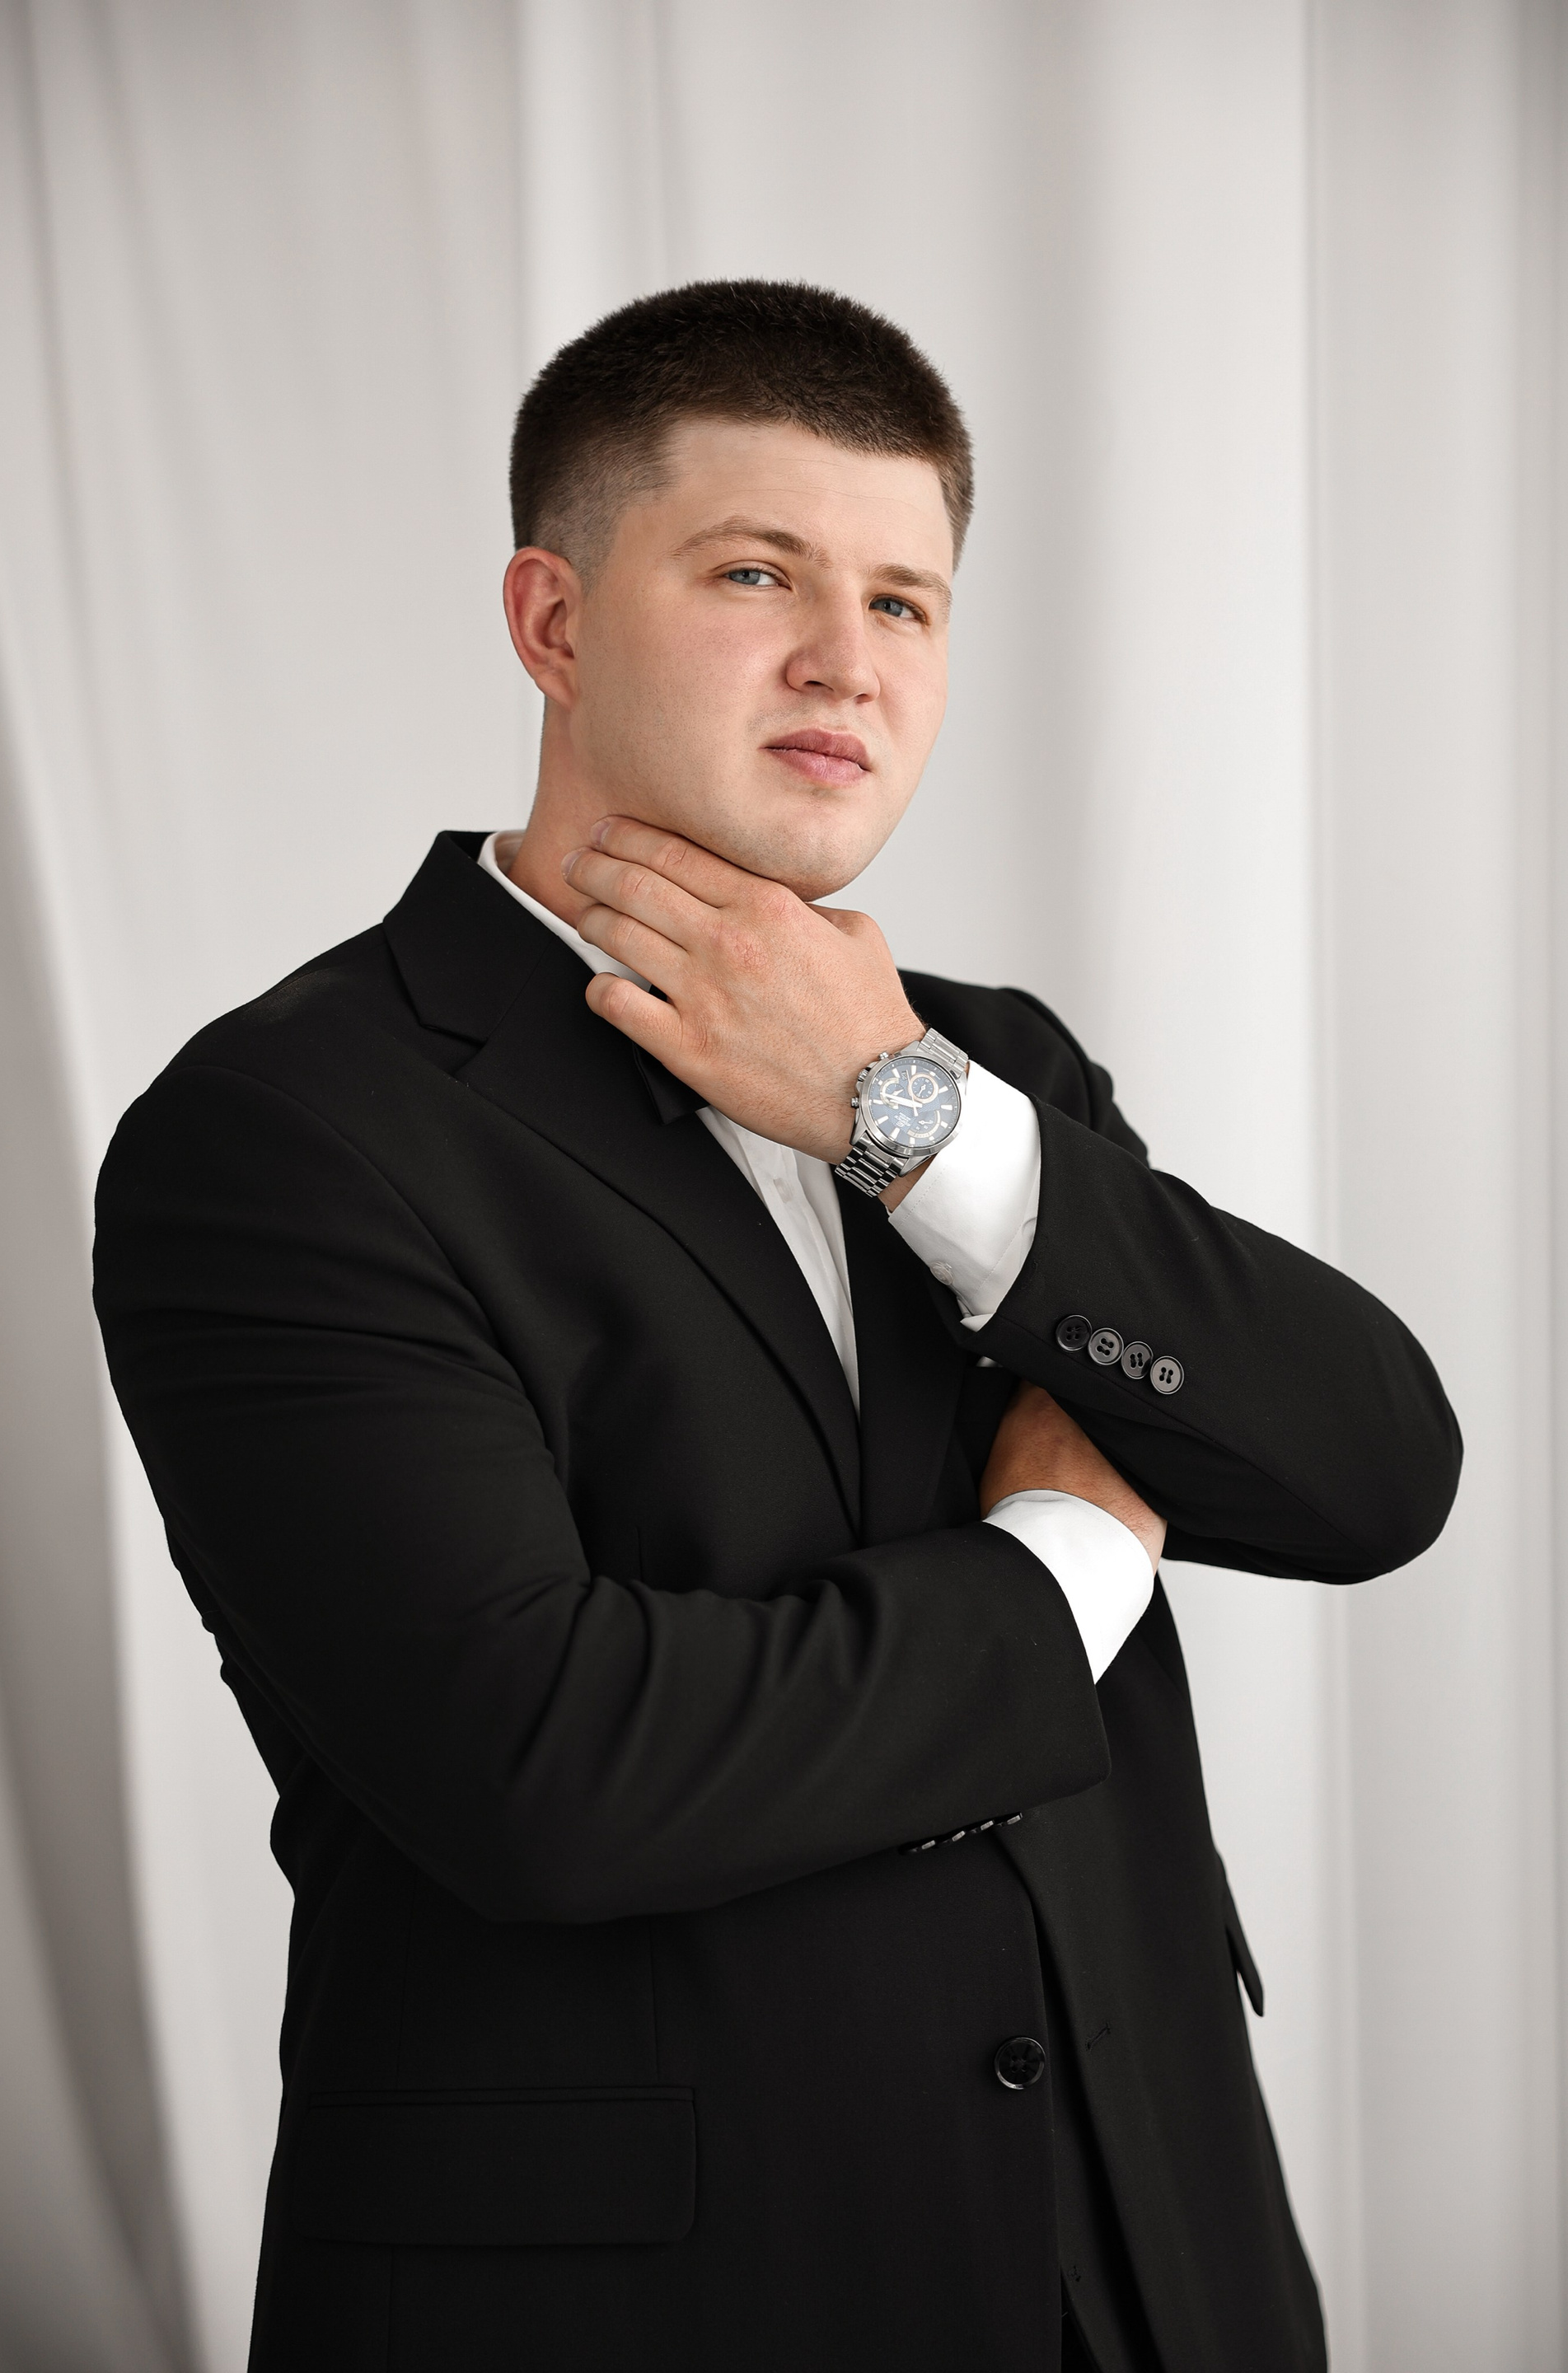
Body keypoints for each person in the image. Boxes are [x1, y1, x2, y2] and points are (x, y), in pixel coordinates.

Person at [94, 281, 1459, 2373]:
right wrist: (1069, 1566)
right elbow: (551, 1766)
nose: (850, 659)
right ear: (553, 623)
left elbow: (1374, 1473)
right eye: (758, 574)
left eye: (906, 602)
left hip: (1152, 2267)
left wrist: (903, 1116)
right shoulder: (288, 1128)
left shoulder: (986, 1070)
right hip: (648, 2302)